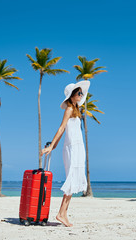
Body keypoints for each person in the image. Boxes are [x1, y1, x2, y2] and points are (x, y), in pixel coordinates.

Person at [40, 80, 90, 227]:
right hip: (72, 148)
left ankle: (63, 213)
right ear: (72, 95)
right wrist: (52, 146)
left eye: (81, 93)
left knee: (74, 179)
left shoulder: (77, 110)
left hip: (78, 147)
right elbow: (62, 128)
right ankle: (61, 214)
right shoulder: (68, 109)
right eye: (78, 93)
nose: (81, 95)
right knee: (71, 178)